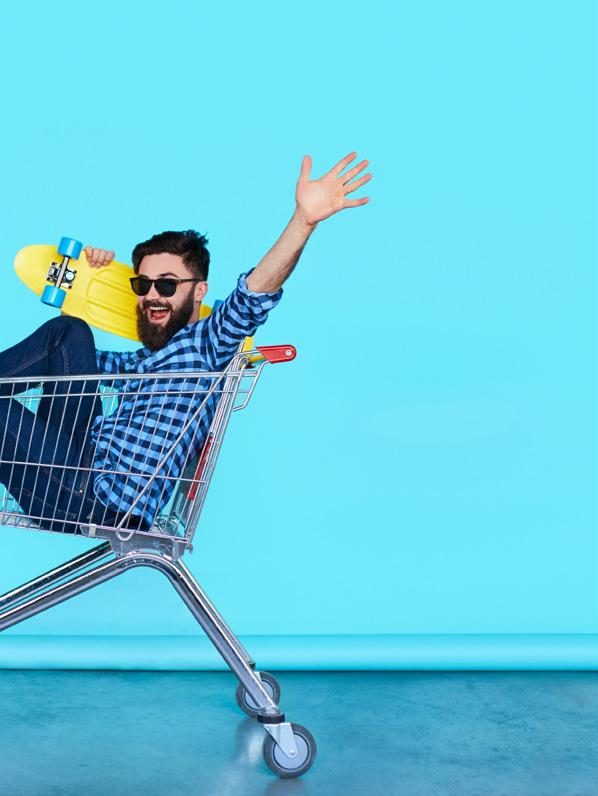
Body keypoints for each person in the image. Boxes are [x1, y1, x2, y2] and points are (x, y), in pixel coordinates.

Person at [0, 152, 372, 533]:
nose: (152, 295)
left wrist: (302, 222)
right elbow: (66, 366)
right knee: (71, 333)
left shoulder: (208, 345)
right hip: (81, 458)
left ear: (199, 292)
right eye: (143, 285)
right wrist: (83, 281)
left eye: (167, 285)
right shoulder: (150, 359)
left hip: (92, 498)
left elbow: (252, 296)